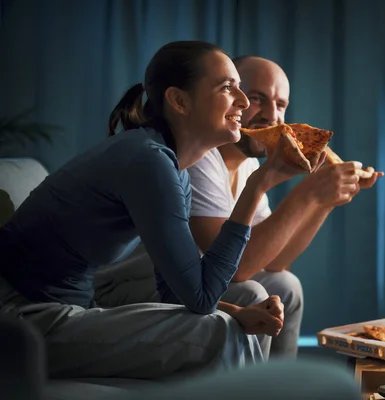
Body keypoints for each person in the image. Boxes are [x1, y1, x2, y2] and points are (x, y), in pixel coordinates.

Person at [0, 41, 303, 379]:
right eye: (227, 87)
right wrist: (257, 185)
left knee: (232, 321)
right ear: (179, 101)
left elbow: (178, 293)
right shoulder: (148, 161)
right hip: (21, 320)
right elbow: (201, 300)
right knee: (220, 331)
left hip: (65, 309)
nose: (243, 101)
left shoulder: (174, 170)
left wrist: (236, 311)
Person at [186, 56, 383, 358]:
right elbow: (235, 270)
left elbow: (275, 263)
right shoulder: (201, 160)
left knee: (286, 285)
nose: (272, 116)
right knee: (255, 293)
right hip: (153, 283)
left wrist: (323, 201)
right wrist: (307, 193)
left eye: (280, 105)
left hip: (207, 280)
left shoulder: (249, 165)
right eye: (257, 99)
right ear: (232, 99)